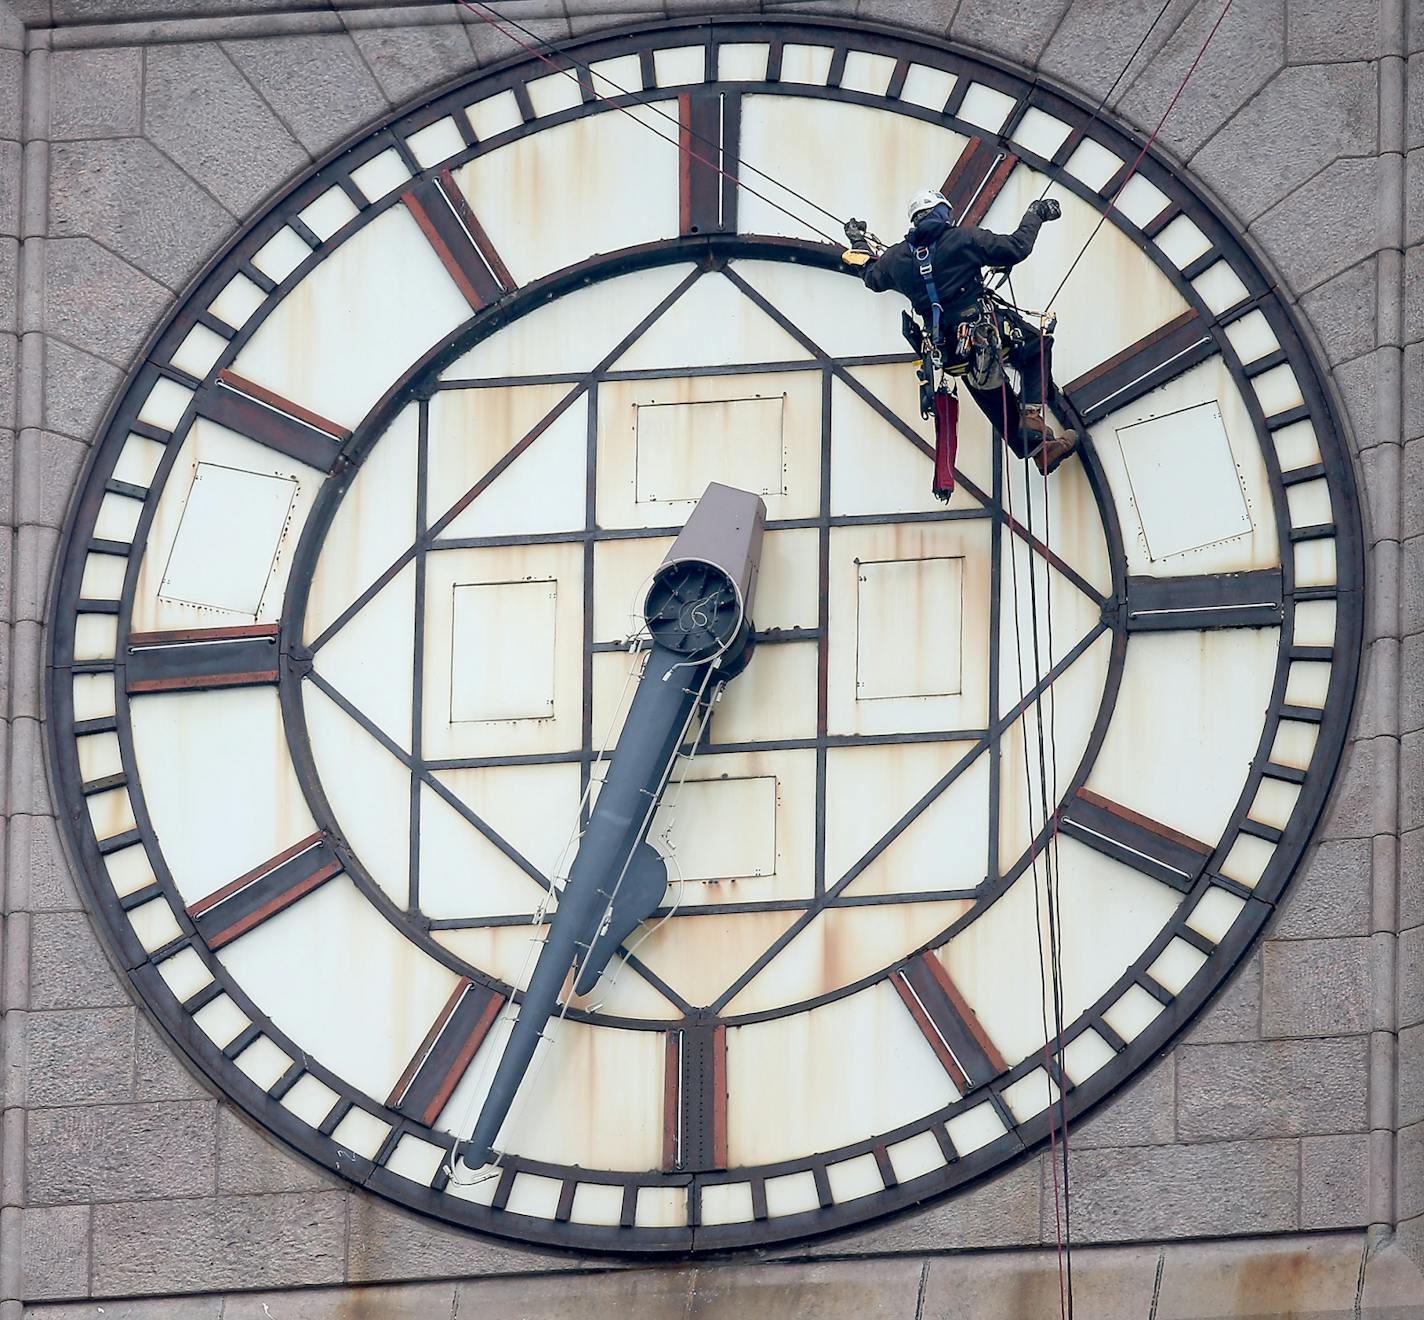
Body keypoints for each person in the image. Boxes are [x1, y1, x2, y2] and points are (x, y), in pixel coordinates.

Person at [847, 188, 1079, 474]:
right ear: (941, 212)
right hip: (984, 329)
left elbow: (871, 277)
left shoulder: (897, 259)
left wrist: (859, 241)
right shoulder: (962, 239)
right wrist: (1035, 214)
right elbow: (1017, 247)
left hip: (950, 351)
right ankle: (1032, 415)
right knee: (1036, 346)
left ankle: (1039, 451)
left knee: (992, 397)